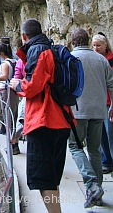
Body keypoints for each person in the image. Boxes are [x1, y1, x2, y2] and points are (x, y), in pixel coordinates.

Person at [9, 18, 73, 213]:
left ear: (24, 36)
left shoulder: (38, 51)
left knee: (44, 180)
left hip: (44, 122)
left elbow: (33, 86)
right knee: (51, 178)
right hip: (61, 119)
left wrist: (17, 85)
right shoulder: (52, 48)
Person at [69, 28, 113, 208]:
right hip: (99, 109)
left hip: (77, 111)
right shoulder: (101, 59)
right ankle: (97, 193)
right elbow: (111, 84)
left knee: (75, 146)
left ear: (73, 42)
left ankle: (91, 184)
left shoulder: (70, 58)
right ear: (87, 41)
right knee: (95, 150)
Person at [92, 32, 113, 174]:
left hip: (109, 102)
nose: (96, 48)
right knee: (101, 135)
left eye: (98, 45)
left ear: (105, 46)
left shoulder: (110, 61)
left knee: (110, 134)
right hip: (98, 101)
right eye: (93, 46)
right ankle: (106, 161)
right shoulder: (95, 60)